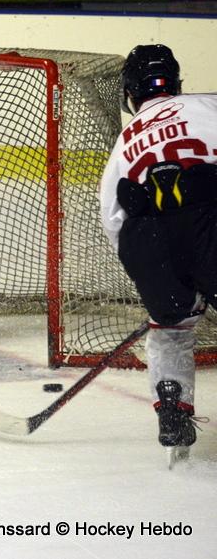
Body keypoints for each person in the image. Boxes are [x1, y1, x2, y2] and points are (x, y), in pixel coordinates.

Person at [99, 43, 214, 462]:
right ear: (177, 83)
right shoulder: (207, 104)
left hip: (148, 244)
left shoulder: (126, 140)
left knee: (172, 328)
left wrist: (158, 285)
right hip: (209, 223)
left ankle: (173, 408)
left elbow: (113, 218)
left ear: (131, 94)